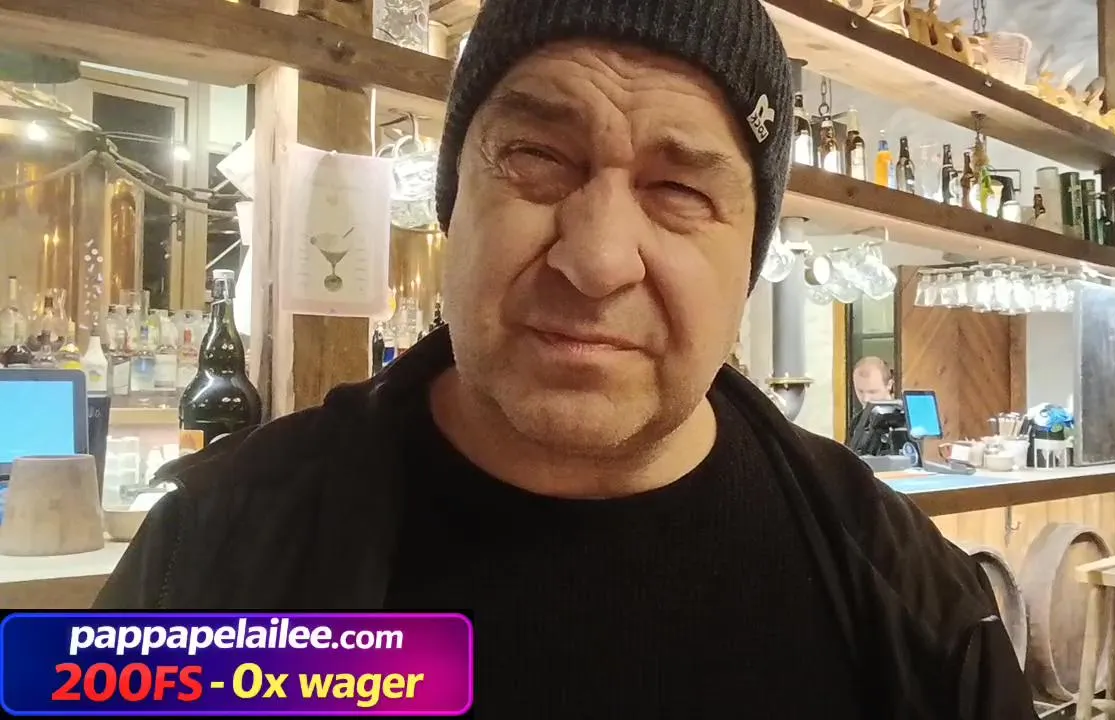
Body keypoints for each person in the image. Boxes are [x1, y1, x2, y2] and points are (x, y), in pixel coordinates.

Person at [96, 0, 1036, 716]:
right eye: (537, 158)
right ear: (454, 204)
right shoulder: (213, 561)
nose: (596, 259)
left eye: (679, 191)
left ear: (748, 258)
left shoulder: (912, 602)